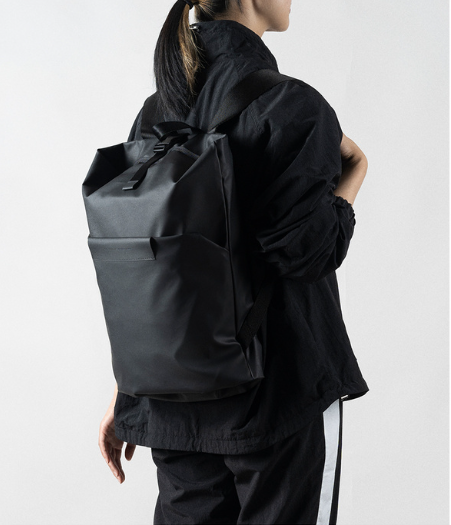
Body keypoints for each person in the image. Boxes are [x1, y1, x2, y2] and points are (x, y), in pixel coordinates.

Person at [98, 0, 370, 523]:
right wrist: (354, 173)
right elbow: (308, 253)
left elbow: (146, 266)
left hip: (173, 401)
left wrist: (127, 390)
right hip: (278, 398)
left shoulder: (156, 110)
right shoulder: (292, 104)